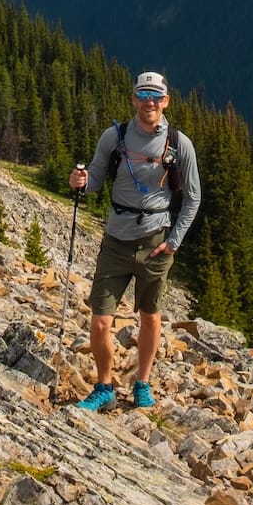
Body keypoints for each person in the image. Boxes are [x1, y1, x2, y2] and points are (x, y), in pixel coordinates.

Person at [68, 70, 200, 411]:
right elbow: (96, 177)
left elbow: (193, 198)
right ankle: (104, 386)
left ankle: (142, 382)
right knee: (100, 319)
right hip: (116, 238)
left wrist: (173, 242)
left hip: (156, 240)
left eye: (155, 96)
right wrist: (81, 182)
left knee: (150, 316)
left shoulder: (178, 143)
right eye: (143, 96)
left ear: (166, 101)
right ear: (133, 99)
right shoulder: (114, 138)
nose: (149, 102)